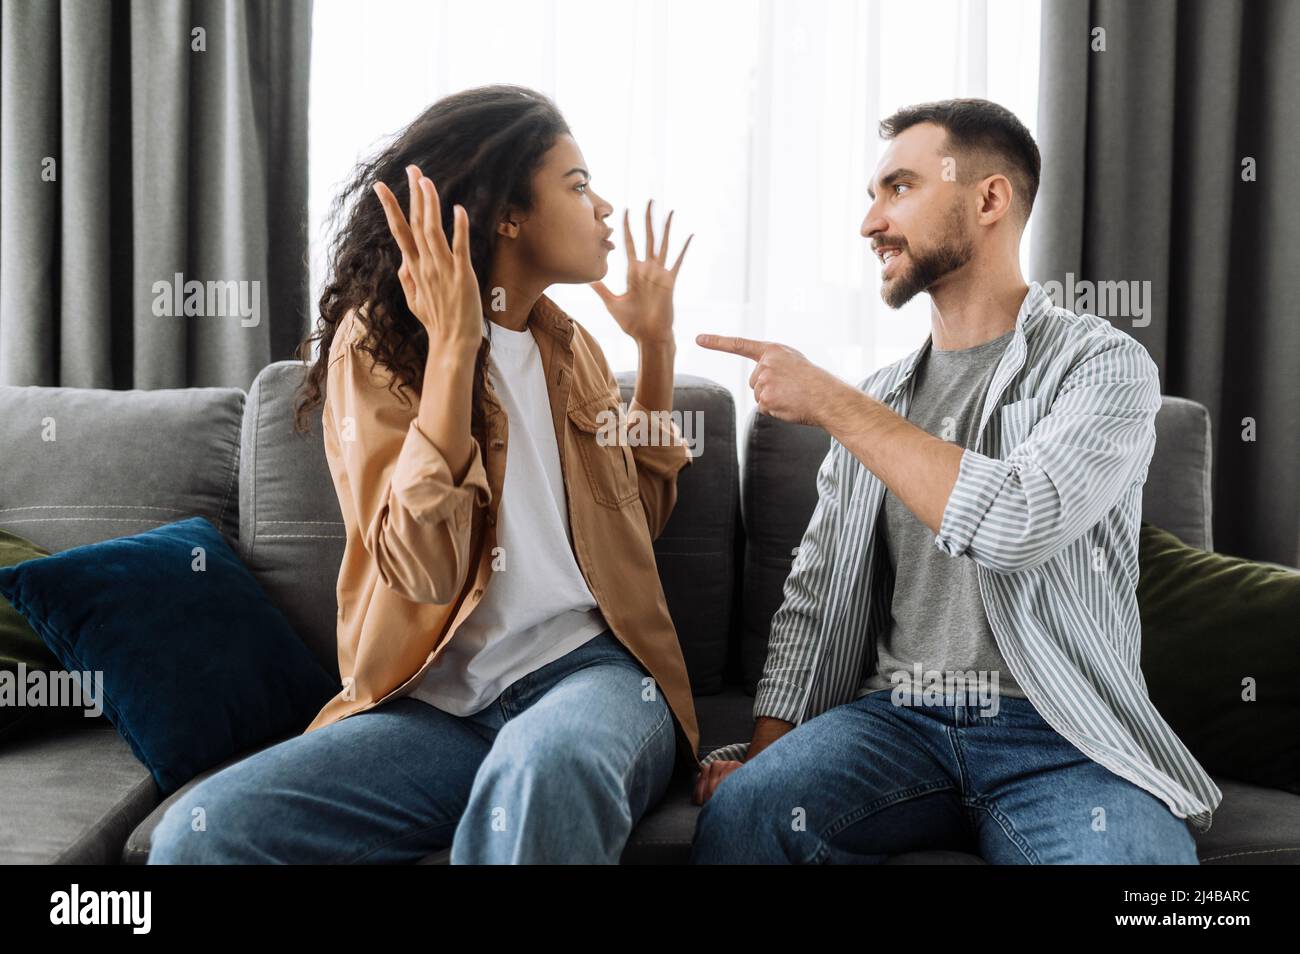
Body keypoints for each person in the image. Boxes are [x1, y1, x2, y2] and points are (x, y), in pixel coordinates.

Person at [149, 84, 698, 864]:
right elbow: (424, 568)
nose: (605, 207)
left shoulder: (572, 348)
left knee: (544, 767)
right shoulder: (373, 349)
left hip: (592, 677)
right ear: (509, 214)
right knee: (202, 836)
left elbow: (635, 528)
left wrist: (657, 349)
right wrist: (453, 352)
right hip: (432, 707)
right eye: (578, 186)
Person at [690, 98, 1220, 864]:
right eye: (872, 196)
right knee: (743, 822)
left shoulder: (1103, 368)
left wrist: (834, 403)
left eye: (897, 188)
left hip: (1060, 734)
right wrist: (764, 755)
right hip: (896, 724)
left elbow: (1018, 520)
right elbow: (815, 594)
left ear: (989, 199)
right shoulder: (878, 400)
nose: (871, 222)